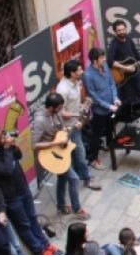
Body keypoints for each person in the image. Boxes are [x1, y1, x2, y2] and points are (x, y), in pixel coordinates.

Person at [0, 124, 60, 255]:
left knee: (33, 218)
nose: (1, 138)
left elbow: (19, 155)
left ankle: (45, 244)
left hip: (22, 186)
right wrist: (7, 149)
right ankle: (39, 251)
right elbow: (6, 170)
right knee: (24, 224)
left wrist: (13, 146)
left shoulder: (2, 145)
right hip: (10, 195)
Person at [31, 92, 89, 220]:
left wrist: (72, 127)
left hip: (60, 151)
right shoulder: (40, 121)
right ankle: (76, 208)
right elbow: (35, 145)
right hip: (50, 155)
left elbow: (60, 130)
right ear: (52, 107)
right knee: (73, 179)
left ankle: (61, 206)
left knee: (63, 178)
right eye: (59, 108)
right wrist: (56, 142)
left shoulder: (55, 113)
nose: (61, 110)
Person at [56, 59, 101, 189]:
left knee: (76, 152)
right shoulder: (62, 90)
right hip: (69, 127)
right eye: (79, 70)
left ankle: (78, 176)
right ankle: (86, 179)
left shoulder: (75, 82)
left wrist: (83, 103)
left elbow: (74, 102)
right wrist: (78, 117)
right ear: (72, 73)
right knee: (79, 152)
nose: (82, 71)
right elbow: (61, 112)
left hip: (76, 124)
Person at [82, 47, 121, 171]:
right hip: (100, 111)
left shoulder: (105, 68)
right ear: (94, 60)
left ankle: (110, 145)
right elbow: (93, 96)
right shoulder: (87, 75)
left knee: (110, 128)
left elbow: (111, 83)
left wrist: (115, 98)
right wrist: (108, 105)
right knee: (96, 135)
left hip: (112, 107)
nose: (104, 59)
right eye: (102, 58)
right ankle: (93, 158)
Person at [107, 19, 140, 103]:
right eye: (119, 30)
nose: (122, 32)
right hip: (121, 76)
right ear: (115, 32)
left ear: (126, 28)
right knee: (126, 97)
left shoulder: (129, 40)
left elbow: (136, 53)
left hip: (133, 72)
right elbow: (110, 61)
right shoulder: (114, 44)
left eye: (123, 29)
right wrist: (125, 68)